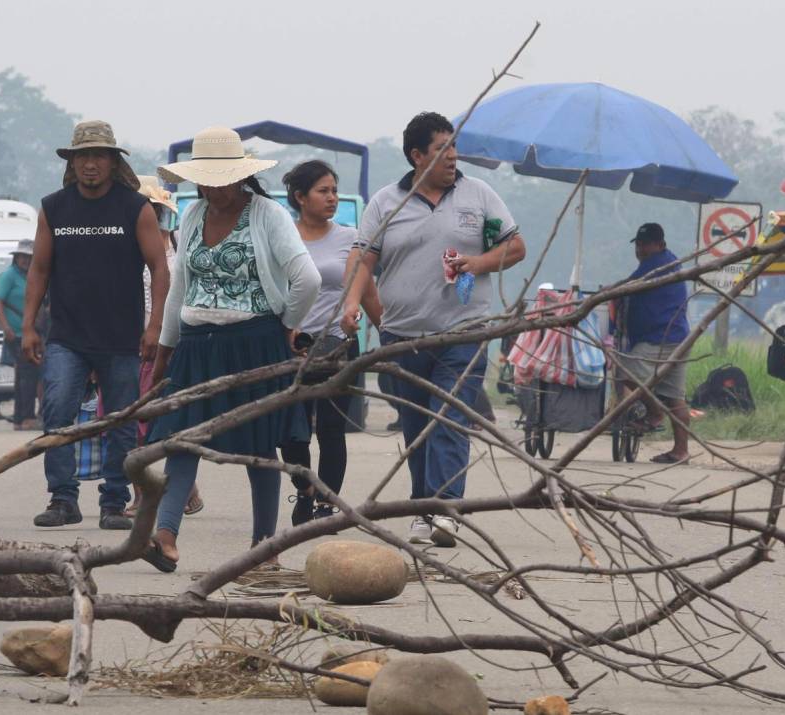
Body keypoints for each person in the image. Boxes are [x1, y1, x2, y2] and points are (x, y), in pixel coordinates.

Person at [341, 111, 526, 547]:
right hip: (402, 335)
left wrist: (477, 263)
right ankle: (421, 508)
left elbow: (514, 246)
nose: (453, 157)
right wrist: (351, 303)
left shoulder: (478, 196)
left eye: (455, 148)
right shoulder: (388, 203)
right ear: (416, 155)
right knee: (416, 425)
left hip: (463, 331)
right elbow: (363, 258)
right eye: (442, 149)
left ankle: (445, 508)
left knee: (450, 416)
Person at [143, 126, 321, 572]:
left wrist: (286, 326)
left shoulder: (267, 215)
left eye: (221, 179)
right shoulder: (193, 216)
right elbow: (180, 289)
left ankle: (265, 549)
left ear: (240, 176)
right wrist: (166, 350)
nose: (213, 189)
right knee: (183, 441)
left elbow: (308, 279)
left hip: (255, 344)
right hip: (197, 346)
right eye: (205, 179)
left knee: (259, 447)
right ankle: (165, 535)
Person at [21, 120, 171, 530]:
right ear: (72, 162)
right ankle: (63, 498)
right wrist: (29, 325)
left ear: (112, 161)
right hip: (66, 337)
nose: (90, 164)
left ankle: (113, 501)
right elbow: (39, 269)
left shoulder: (134, 207)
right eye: (83, 156)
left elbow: (160, 267)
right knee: (57, 413)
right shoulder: (54, 208)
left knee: (120, 420)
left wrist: (155, 325)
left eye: (99, 156)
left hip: (121, 338)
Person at [278, 160, 382, 526]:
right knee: (291, 431)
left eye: (335, 190)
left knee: (332, 429)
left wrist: (387, 331)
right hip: (292, 348)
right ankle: (305, 488)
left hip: (338, 346)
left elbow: (366, 289)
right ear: (300, 197)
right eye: (323, 191)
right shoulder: (283, 237)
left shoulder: (350, 238)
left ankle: (326, 503)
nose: (332, 198)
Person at [128, 176, 202, 519]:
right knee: (133, 424)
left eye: (152, 208)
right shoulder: (126, 246)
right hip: (132, 344)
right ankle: (142, 493)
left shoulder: (175, 244)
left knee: (166, 422)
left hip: (173, 343)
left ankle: (180, 485)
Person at [615, 223, 691, 465]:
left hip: (662, 338)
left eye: (645, 244)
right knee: (674, 397)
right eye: (638, 245)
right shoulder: (666, 261)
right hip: (676, 337)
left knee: (625, 372)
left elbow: (630, 284)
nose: (640, 249)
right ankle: (681, 451)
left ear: (660, 245)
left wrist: (605, 293)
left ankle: (655, 412)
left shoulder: (657, 264)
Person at [0, 239, 41, 431]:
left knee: (25, 375)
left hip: (32, 333)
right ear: (16, 258)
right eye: (22, 257)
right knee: (28, 375)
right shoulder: (9, 276)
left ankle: (21, 418)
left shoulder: (32, 276)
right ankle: (27, 417)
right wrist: (6, 328)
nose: (25, 260)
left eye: (29, 257)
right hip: (17, 334)